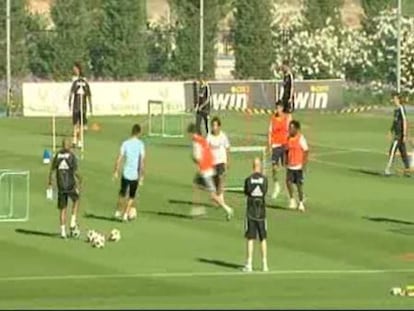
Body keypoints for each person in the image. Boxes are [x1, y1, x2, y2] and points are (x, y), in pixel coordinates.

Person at [187, 123, 234, 220]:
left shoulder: (196, 142)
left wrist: (193, 158)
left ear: (191, 133)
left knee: (212, 195)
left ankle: (228, 209)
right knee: (197, 185)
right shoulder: (202, 140)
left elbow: (197, 157)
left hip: (205, 170)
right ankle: (198, 209)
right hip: (209, 167)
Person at [48, 138, 81, 239]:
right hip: (70, 184)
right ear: (69, 145)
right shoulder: (71, 156)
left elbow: (52, 171)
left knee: (63, 208)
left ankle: (63, 232)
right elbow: (75, 172)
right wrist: (80, 179)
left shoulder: (57, 155)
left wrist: (50, 183)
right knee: (76, 200)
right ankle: (72, 222)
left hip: (61, 186)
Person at [113, 124, 145, 222]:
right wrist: (142, 175)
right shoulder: (140, 144)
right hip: (134, 175)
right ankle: (126, 214)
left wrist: (115, 171)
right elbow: (142, 161)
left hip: (126, 173)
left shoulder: (125, 143)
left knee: (122, 193)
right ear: (139, 133)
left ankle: (118, 212)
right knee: (132, 196)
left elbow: (119, 158)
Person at [242, 157, 269, 272]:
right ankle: (264, 264)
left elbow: (246, 192)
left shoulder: (248, 179)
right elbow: (265, 191)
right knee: (263, 238)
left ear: (253, 166)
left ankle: (249, 263)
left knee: (250, 238)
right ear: (260, 166)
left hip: (251, 210)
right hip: (261, 211)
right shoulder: (265, 179)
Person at [268, 100, 291, 200]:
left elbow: (290, 131)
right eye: (276, 107)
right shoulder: (273, 118)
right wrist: (269, 144)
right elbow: (269, 132)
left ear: (282, 108)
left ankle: (291, 190)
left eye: (279, 107)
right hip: (275, 145)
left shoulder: (287, 118)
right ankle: (276, 185)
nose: (277, 109)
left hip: (284, 145)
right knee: (274, 167)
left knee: (287, 168)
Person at [384, 92, 410, 177]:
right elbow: (395, 122)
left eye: (395, 99)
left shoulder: (401, 108)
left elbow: (405, 121)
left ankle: (387, 169)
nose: (393, 100)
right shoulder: (396, 110)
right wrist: (390, 131)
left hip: (399, 135)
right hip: (397, 133)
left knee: (392, 151)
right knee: (403, 153)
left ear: (398, 99)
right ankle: (408, 170)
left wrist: (404, 134)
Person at [285, 120, 309, 212]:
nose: (290, 130)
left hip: (298, 166)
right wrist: (286, 160)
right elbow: (286, 150)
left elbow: (306, 151)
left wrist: (304, 165)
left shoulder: (301, 138)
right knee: (288, 182)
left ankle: (301, 202)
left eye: (291, 128)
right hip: (290, 165)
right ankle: (292, 200)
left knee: (299, 185)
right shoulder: (288, 139)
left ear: (296, 129)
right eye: (289, 128)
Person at [207, 116, 230, 205]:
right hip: (212, 162)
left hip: (221, 161)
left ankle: (220, 197)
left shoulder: (223, 136)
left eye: (216, 126)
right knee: (215, 181)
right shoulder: (209, 136)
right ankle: (218, 197)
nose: (214, 128)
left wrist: (227, 161)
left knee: (221, 177)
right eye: (213, 126)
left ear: (219, 127)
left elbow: (227, 148)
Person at [68, 62, 92, 148]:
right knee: (80, 124)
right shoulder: (85, 83)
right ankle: (80, 141)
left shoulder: (76, 82)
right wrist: (91, 106)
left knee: (76, 124)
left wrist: (69, 103)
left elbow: (71, 93)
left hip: (76, 106)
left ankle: (75, 140)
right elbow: (89, 95)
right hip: (83, 106)